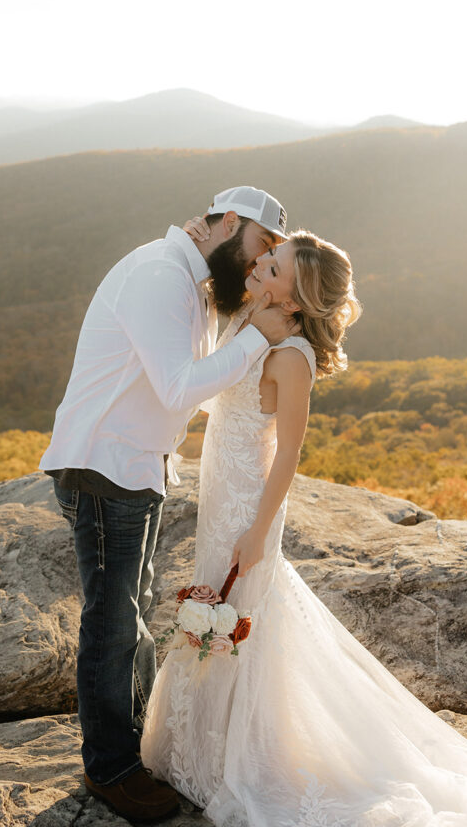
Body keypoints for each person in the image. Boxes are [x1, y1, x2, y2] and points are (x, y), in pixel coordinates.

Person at [141, 223, 467, 826]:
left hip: (249, 504)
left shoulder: (293, 356)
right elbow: (208, 392)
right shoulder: (249, 321)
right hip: (219, 494)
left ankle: (243, 757)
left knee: (241, 615)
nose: (261, 265)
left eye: (274, 267)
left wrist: (258, 531)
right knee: (222, 610)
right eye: (269, 255)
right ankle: (204, 748)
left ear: (297, 301)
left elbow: (289, 455)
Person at [39, 186, 300, 824]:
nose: (257, 264)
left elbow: (191, 382)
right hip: (105, 466)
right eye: (260, 248)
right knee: (112, 621)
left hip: (138, 467)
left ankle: (138, 745)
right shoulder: (160, 276)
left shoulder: (195, 279)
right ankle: (112, 769)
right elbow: (180, 384)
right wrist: (259, 338)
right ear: (229, 223)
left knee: (129, 611)